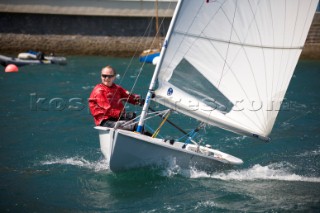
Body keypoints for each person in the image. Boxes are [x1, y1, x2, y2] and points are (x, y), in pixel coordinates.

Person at [88, 65, 144, 130]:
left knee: (140, 125)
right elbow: (107, 110)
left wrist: (138, 100)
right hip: (105, 121)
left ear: (114, 77)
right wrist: (124, 115)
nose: (106, 78)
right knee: (134, 126)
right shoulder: (99, 91)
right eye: (104, 76)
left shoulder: (116, 88)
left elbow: (129, 97)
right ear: (101, 76)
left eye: (110, 76)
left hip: (117, 118)